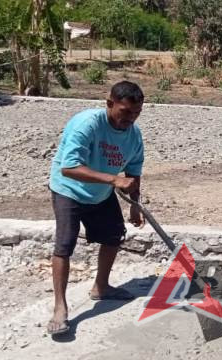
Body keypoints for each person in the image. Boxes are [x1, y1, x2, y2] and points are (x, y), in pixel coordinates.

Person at [47, 81, 147, 335]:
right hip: (68, 190)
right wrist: (114, 179)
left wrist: (135, 206)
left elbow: (133, 173)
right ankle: (60, 307)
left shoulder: (134, 136)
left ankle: (101, 287)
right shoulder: (87, 124)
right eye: (125, 112)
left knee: (114, 234)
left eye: (136, 113)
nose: (130, 119)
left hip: (100, 193)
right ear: (109, 103)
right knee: (64, 245)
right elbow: (68, 168)